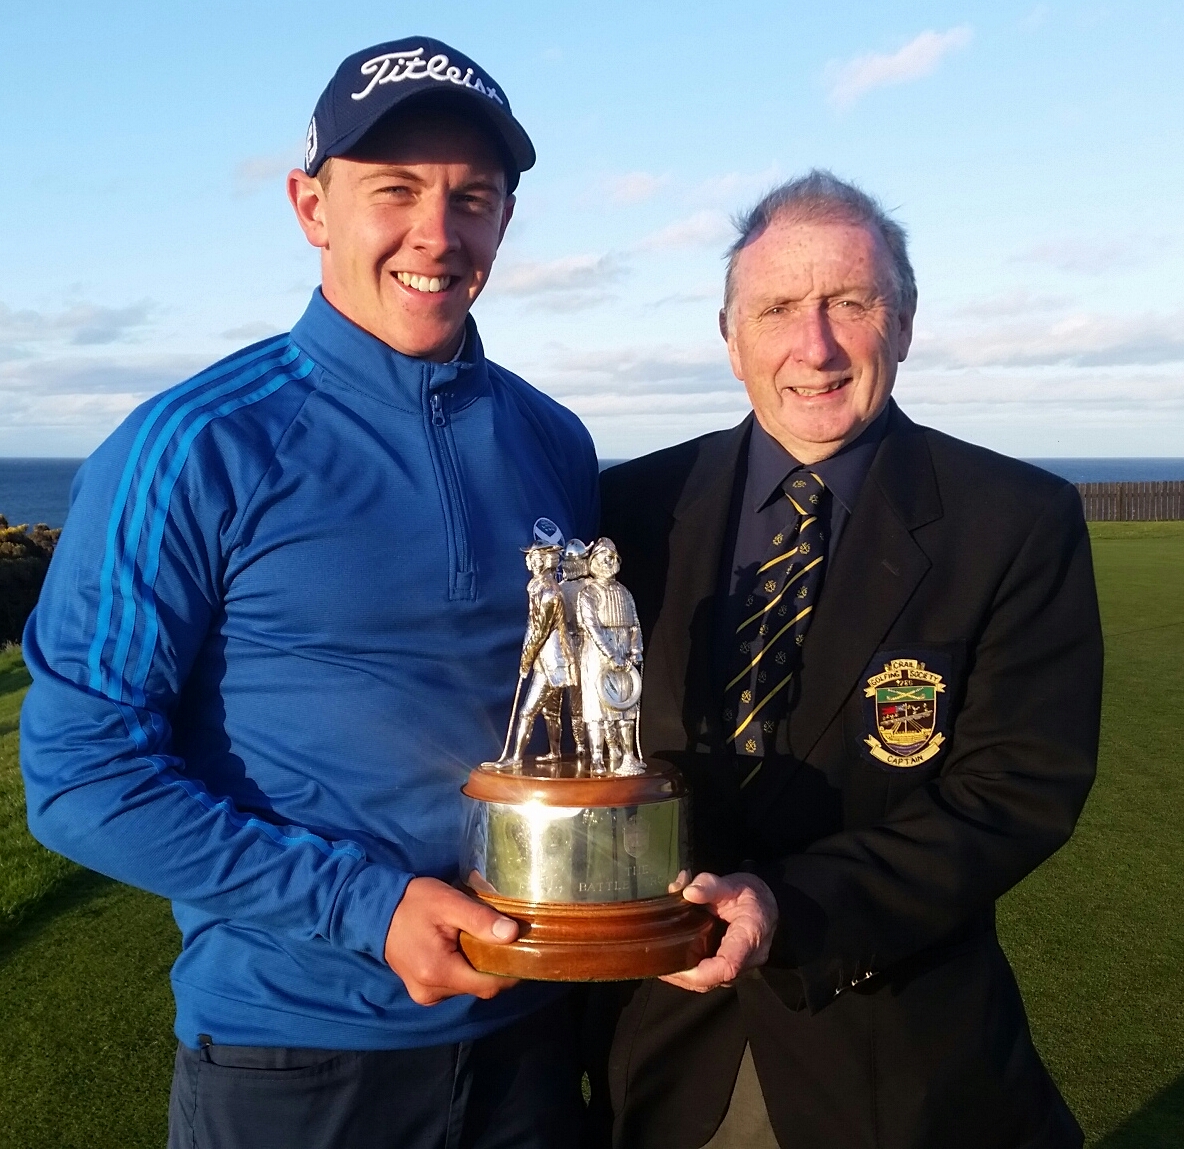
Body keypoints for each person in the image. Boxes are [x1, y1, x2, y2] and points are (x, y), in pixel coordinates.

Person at [20, 36, 599, 1149]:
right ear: (310, 207)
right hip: (292, 1057)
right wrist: (366, 909)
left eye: (472, 198)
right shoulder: (191, 446)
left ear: (504, 221)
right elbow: (79, 773)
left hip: (529, 1037)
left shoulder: (553, 441)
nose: (437, 234)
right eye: (395, 190)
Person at [589, 170, 1103, 1149]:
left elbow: (1016, 792)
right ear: (730, 336)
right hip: (657, 1050)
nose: (814, 346)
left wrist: (789, 906)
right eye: (778, 308)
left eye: (850, 304)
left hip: (897, 1064)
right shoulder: (628, 511)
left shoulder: (1013, 521)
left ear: (901, 324)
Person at [503, 544, 577, 766]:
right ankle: (555, 753)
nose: (534, 563)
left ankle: (516, 758)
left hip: (552, 662)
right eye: (532, 559)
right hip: (547, 661)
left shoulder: (550, 594)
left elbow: (539, 632)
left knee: (527, 712)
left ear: (548, 562)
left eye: (539, 559)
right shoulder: (538, 588)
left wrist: (526, 660)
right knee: (551, 712)